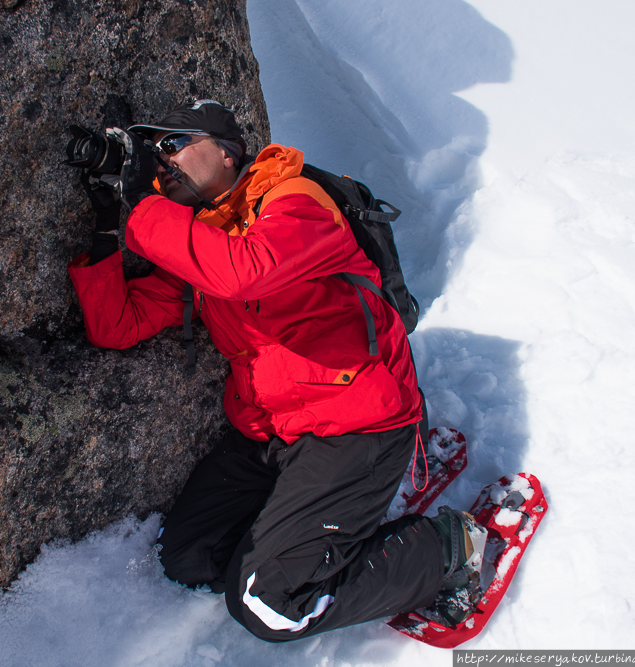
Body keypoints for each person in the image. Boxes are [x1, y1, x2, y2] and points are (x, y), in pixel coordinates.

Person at [66, 99, 486, 642]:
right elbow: (117, 324)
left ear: (225, 152)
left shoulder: (295, 200)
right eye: (151, 152)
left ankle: (448, 548)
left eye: (172, 144)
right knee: (191, 559)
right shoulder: (202, 241)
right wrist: (106, 225)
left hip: (356, 429)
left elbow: (245, 271)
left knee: (270, 605)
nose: (160, 160)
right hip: (272, 433)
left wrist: (140, 205)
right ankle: (314, 535)